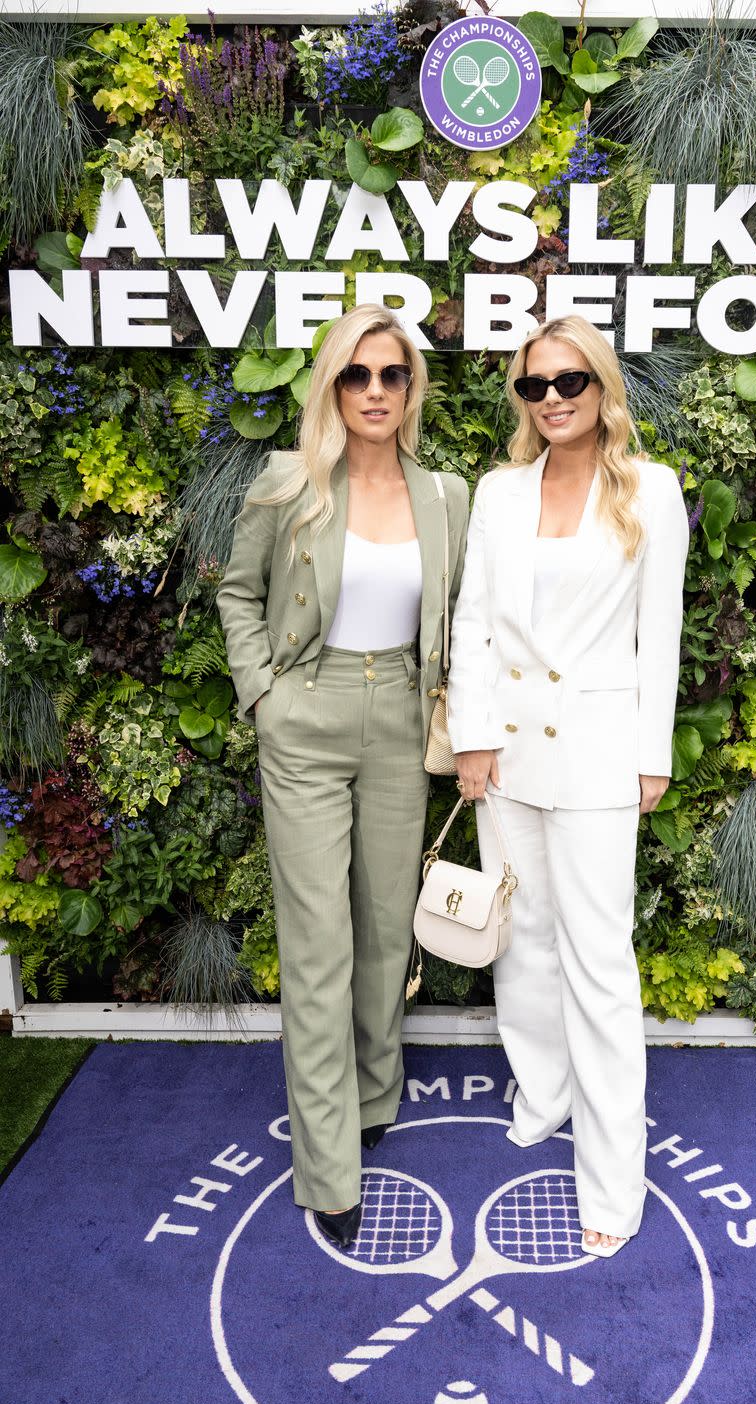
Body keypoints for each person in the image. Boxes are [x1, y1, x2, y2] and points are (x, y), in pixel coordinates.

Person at [217, 304, 468, 1249]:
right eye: (356, 375)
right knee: (317, 939)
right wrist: (263, 697)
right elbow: (238, 593)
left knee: (381, 931)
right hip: (307, 715)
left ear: (412, 388)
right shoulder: (289, 481)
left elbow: (461, 615)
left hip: (404, 715)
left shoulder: (445, 494)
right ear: (331, 383)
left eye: (391, 375)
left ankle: (371, 1096)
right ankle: (329, 1170)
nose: (373, 392)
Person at [446, 314, 689, 1257]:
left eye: (569, 383)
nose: (552, 400)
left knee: (598, 961)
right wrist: (470, 739)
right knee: (523, 938)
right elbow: (473, 625)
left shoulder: (651, 489)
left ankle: (612, 1176)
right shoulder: (500, 491)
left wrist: (652, 754)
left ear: (602, 387)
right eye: (533, 386)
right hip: (504, 756)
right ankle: (541, 1095)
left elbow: (657, 636)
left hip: (595, 756)